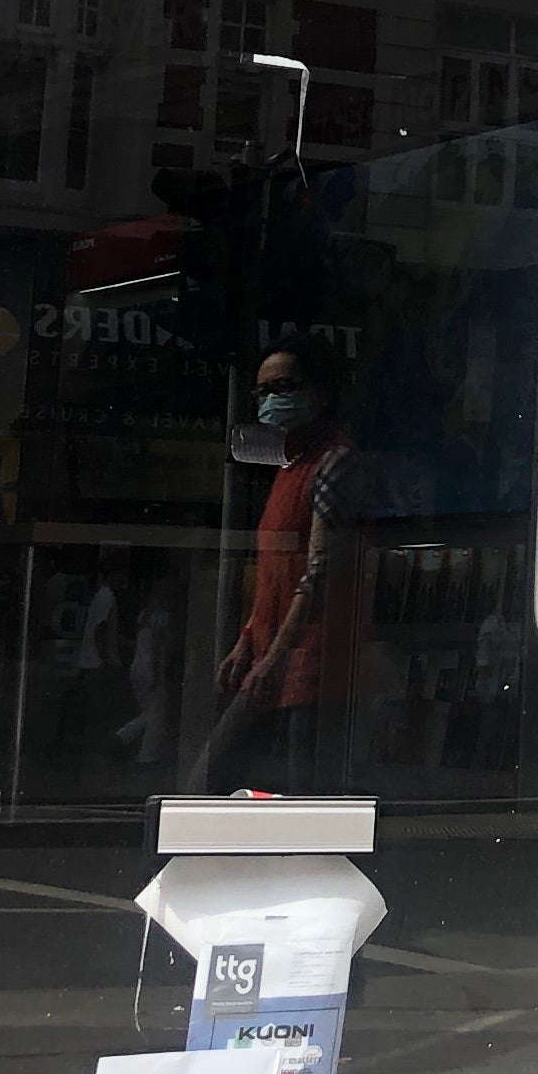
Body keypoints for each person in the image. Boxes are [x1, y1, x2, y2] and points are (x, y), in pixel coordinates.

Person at [206, 335, 360, 792]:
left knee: (300, 790)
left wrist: (272, 659)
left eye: (285, 387)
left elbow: (319, 571)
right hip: (273, 658)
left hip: (310, 663)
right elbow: (275, 574)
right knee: (218, 777)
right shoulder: (289, 467)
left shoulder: (333, 462)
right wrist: (247, 642)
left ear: (321, 393)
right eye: (263, 392)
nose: (271, 400)